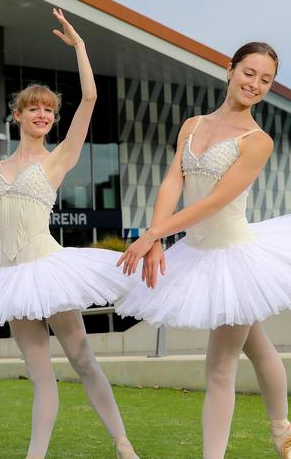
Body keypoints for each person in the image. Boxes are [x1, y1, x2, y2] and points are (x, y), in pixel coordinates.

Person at [0, 9, 139, 459]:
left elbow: (89, 100)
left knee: (83, 360)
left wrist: (80, 48)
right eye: (35, 109)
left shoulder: (57, 160)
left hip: (49, 269)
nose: (44, 115)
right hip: (11, 278)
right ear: (18, 115)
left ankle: (123, 444)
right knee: (40, 375)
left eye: (49, 110)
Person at [116, 42, 291, 459]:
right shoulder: (192, 124)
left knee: (219, 367)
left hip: (234, 257)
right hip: (195, 250)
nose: (255, 84)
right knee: (256, 343)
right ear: (229, 70)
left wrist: (153, 233)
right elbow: (173, 181)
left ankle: (257, 441)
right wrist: (155, 236)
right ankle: (284, 431)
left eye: (265, 79)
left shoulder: (258, 140)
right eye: (249, 73)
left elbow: (212, 202)